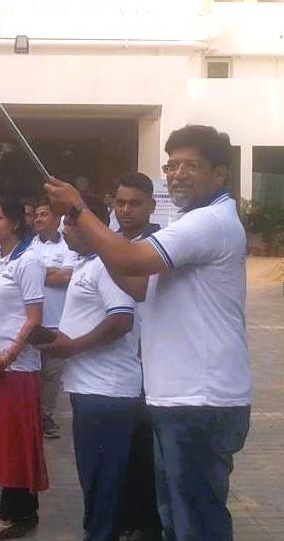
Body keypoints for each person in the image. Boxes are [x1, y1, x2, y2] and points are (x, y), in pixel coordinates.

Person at [44, 125, 252, 541]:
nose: (177, 174)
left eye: (191, 166)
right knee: (174, 519)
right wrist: (98, 241)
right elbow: (136, 282)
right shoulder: (196, 222)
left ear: (219, 174)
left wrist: (81, 211)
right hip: (177, 397)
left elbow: (132, 260)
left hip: (200, 399)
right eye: (171, 165)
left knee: (196, 524)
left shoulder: (210, 222)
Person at [37, 197, 142, 541]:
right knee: (93, 475)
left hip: (108, 391)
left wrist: (70, 347)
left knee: (105, 476)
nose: (65, 229)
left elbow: (121, 320)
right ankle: (98, 530)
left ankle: (102, 534)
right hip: (87, 388)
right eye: (64, 224)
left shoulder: (108, 266)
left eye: (72, 223)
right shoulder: (85, 264)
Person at [0, 196, 48, 540]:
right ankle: (24, 510)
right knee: (3, 440)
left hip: (16, 368)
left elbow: (34, 318)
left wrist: (10, 356)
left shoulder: (28, 262)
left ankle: (12, 513)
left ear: (16, 223)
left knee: (15, 440)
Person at [111, 172, 163, 541]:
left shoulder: (159, 245)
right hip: (113, 368)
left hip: (150, 365)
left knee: (146, 450)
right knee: (123, 450)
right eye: (120, 203)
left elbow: (140, 288)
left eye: (135, 203)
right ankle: (125, 519)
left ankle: (148, 526)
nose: (126, 210)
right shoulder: (112, 243)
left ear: (152, 206)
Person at [32, 199, 78, 439]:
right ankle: (30, 417)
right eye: (36, 214)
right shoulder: (30, 246)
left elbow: (68, 277)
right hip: (33, 321)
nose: (38, 218)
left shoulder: (67, 246)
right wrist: (50, 272)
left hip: (57, 321)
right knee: (32, 372)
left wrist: (38, 273)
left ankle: (45, 415)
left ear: (56, 219)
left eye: (44, 214)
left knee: (52, 375)